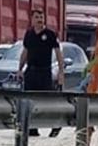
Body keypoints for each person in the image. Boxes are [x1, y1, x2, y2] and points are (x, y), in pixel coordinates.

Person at [16, 8, 64, 136]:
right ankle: (32, 127)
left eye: (41, 17)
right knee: (29, 100)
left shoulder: (50, 34)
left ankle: (55, 125)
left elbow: (58, 54)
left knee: (47, 100)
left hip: (44, 72)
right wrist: (20, 69)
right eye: (37, 17)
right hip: (31, 72)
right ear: (32, 19)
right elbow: (25, 52)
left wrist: (61, 72)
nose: (40, 20)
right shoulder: (29, 34)